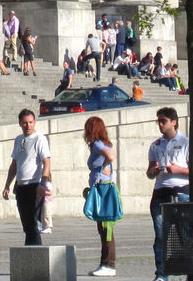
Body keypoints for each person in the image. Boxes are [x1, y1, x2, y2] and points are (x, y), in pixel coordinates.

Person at [148, 106, 190, 281]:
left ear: (174, 122)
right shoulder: (155, 145)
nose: (160, 125)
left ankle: (190, 270)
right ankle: (161, 274)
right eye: (158, 121)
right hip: (161, 190)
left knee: (184, 233)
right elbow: (149, 173)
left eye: (163, 121)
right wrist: (155, 170)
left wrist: (178, 169)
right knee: (160, 234)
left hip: (181, 189)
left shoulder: (186, 142)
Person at [3, 107, 52, 246]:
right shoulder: (19, 140)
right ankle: (30, 252)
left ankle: (34, 254)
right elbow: (15, 163)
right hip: (21, 186)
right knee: (26, 223)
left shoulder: (39, 139)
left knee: (32, 222)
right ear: (20, 123)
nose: (28, 126)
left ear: (34, 122)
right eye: (25, 123)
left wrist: (44, 183)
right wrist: (7, 184)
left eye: (30, 122)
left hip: (35, 185)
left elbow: (46, 162)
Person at [84, 115, 118, 277]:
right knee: (104, 227)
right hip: (103, 187)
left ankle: (109, 264)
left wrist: (104, 167)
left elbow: (111, 156)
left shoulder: (97, 144)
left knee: (106, 227)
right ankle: (105, 263)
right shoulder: (104, 143)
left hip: (102, 189)